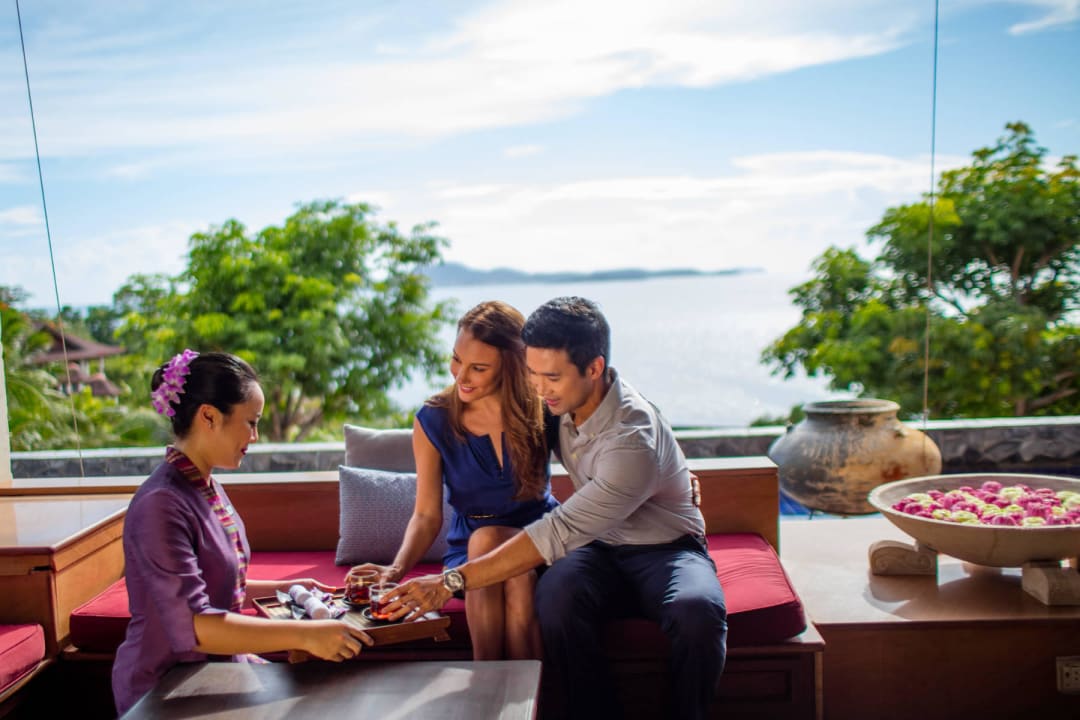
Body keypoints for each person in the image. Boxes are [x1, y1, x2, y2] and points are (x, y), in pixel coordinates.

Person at [387, 297, 727, 720]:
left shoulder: (620, 436)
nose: (540, 387)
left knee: (697, 614)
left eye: (551, 377)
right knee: (556, 597)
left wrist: (448, 583)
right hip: (598, 545)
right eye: (533, 374)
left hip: (665, 548)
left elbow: (558, 531)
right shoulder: (557, 405)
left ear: (594, 368)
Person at [112, 350, 372, 715]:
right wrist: (306, 636)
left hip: (213, 670)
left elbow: (216, 588)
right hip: (167, 686)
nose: (256, 435)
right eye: (251, 422)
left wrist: (293, 590)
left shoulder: (203, 485)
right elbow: (197, 625)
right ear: (209, 416)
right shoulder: (161, 504)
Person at [351, 301, 558, 660]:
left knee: (509, 561)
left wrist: (664, 483)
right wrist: (397, 569)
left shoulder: (542, 409)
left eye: (478, 368)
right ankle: (528, 700)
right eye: (457, 360)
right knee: (495, 555)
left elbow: (597, 452)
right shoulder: (434, 419)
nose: (460, 376)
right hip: (468, 551)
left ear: (511, 367)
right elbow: (427, 514)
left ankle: (489, 690)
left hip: (538, 542)